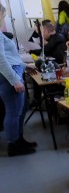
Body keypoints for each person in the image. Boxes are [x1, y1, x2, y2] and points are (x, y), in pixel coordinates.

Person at [1, 27, 38, 156]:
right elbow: (1, 60)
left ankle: (19, 139)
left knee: (22, 108)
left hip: (15, 70)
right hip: (9, 76)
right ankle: (13, 144)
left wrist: (24, 66)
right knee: (14, 111)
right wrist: (14, 80)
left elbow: (10, 57)